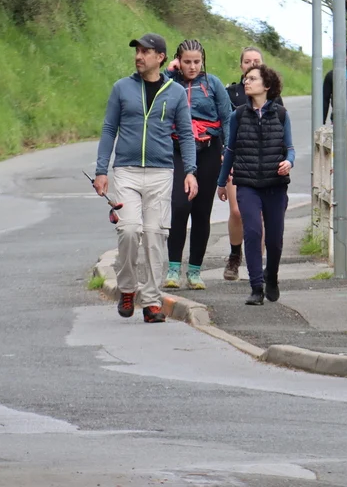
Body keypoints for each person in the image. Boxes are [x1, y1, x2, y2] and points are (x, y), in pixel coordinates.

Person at [95, 33, 198, 323]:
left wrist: (190, 171)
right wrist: (101, 170)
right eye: (137, 52)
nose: (139, 57)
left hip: (161, 172)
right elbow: (109, 129)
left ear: (160, 57)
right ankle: (127, 288)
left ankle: (152, 301)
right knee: (128, 230)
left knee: (155, 237)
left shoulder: (175, 92)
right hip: (126, 171)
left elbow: (186, 134)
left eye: (145, 52)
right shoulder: (122, 88)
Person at [217, 64, 296, 306]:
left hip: (275, 185)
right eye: (245, 78)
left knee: (274, 239)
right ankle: (256, 287)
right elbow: (230, 150)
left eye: (252, 78)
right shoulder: (238, 115)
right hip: (247, 183)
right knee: (252, 233)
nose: (246, 82)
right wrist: (221, 183)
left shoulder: (281, 114)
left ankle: (271, 275)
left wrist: (288, 162)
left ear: (267, 85)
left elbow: (290, 149)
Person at [161, 39, 233, 290]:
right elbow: (150, 89)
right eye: (187, 62)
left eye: (196, 62)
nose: (192, 67)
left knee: (202, 212)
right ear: (178, 61)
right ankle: (173, 269)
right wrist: (169, 71)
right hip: (178, 150)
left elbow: (227, 118)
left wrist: (227, 152)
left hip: (209, 151)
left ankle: (194, 271)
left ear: (203, 61)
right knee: (180, 206)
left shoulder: (213, 84)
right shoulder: (170, 83)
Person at [221, 47, 284, 280]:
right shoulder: (231, 93)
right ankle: (235, 255)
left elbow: (280, 129)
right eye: (247, 61)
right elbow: (223, 124)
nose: (252, 64)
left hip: (265, 163)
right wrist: (224, 157)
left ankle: (256, 265)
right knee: (237, 211)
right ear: (241, 66)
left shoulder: (273, 96)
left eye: (256, 60)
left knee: (261, 216)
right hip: (238, 161)